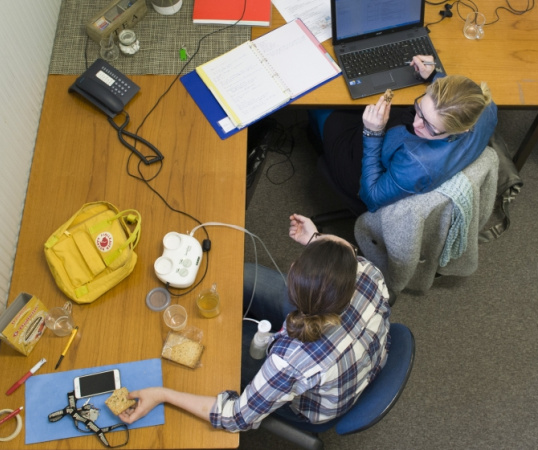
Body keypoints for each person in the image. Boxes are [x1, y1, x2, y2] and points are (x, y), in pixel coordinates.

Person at [118, 214, 391, 432]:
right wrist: (315, 238)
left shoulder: (291, 360)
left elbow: (235, 418)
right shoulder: (368, 272)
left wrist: (162, 394)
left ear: (297, 292)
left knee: (221, 345)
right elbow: (345, 249)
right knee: (247, 276)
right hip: (356, 358)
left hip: (317, 401)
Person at [311, 55, 498, 213]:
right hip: (393, 134)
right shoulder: (486, 107)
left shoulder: (416, 164)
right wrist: (434, 75)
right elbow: (453, 102)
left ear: (462, 129)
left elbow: (371, 198)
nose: (416, 123)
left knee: (320, 105)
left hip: (363, 171)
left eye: (430, 127)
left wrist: (372, 133)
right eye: (420, 108)